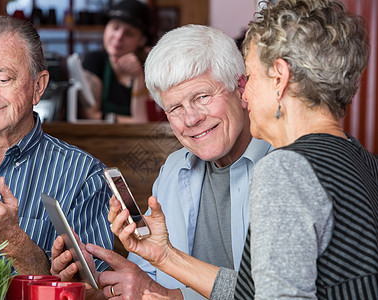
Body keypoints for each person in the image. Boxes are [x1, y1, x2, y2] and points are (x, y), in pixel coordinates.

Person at [112, 0, 378, 299]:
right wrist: (165, 257)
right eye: (175, 107)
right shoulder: (364, 161)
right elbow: (255, 291)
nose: (246, 92)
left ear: (279, 78)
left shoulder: (285, 168)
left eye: (250, 76)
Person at [51, 24, 272, 299]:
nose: (191, 119)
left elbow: (272, 293)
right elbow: (153, 278)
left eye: (202, 97)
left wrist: (166, 287)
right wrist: (101, 289)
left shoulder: (283, 166)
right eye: (175, 108)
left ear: (241, 88)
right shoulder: (174, 168)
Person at [0, 14, 113, 275]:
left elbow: (94, 292)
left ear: (39, 86)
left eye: (3, 79)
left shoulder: (85, 177)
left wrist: (15, 242)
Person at [81, 0, 153, 123]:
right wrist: (133, 122)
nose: (118, 37)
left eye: (129, 34)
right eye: (115, 27)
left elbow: (147, 121)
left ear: (142, 40)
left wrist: (138, 77)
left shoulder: (152, 69)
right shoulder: (95, 60)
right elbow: (91, 116)